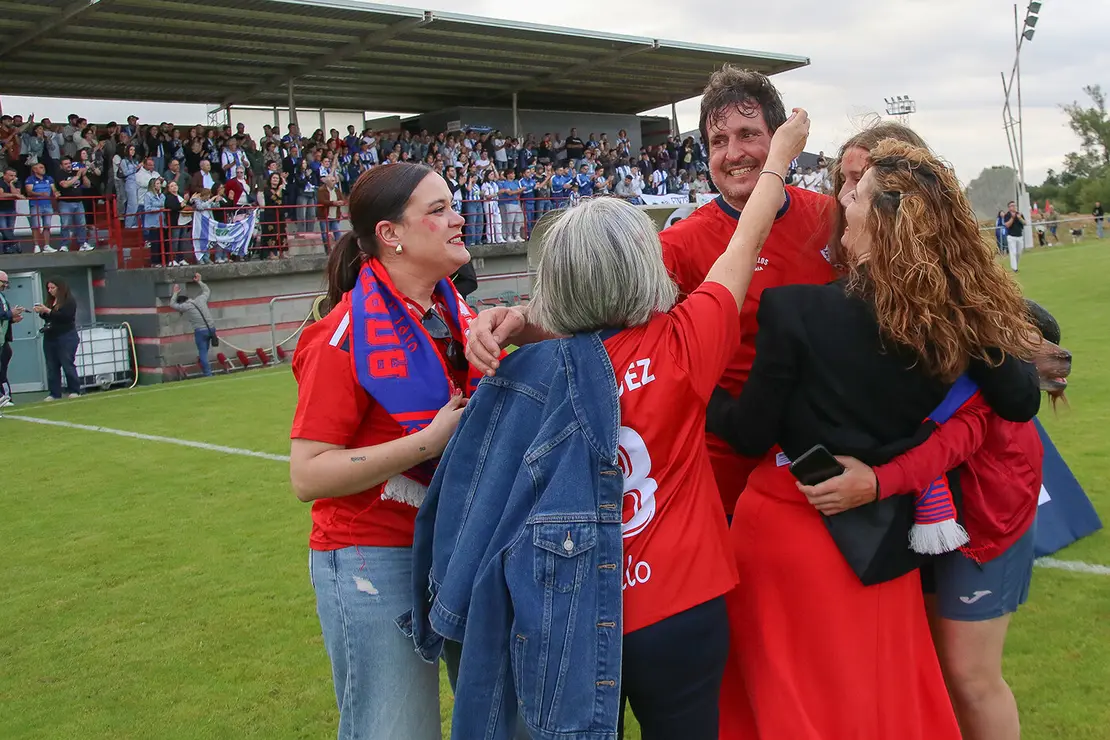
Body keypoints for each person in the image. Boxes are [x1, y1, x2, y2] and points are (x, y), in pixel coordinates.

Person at [459, 111, 811, 739]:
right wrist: (779, 157)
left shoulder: (532, 372)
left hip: (568, 605)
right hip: (681, 603)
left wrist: (517, 320)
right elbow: (746, 241)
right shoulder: (683, 342)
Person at [700, 139, 1040, 740]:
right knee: (882, 703)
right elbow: (1019, 398)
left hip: (793, 529)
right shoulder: (952, 319)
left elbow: (750, 433)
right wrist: (972, 300)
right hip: (885, 542)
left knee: (792, 705)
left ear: (883, 222)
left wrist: (702, 390)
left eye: (856, 195)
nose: (843, 201)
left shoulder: (794, 311)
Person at [288, 162, 480, 740]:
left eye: (453, 204)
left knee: (499, 717)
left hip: (458, 541)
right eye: (439, 209)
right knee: (396, 730)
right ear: (390, 234)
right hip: (373, 554)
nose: (458, 218)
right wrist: (426, 442)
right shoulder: (342, 335)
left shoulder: (456, 317)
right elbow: (308, 474)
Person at [34, 277, 83, 401]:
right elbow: (50, 317)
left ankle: (74, 390)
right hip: (51, 336)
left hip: (66, 335)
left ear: (60, 288)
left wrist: (48, 311)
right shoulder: (51, 301)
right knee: (52, 366)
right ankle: (54, 393)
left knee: (67, 363)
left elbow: (65, 317)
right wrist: (42, 312)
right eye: (48, 288)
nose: (50, 290)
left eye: (53, 288)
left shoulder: (69, 301)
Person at [171, 274, 216, 376]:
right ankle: (207, 370)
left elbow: (172, 305)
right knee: (205, 351)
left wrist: (175, 293)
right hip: (211, 328)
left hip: (200, 331)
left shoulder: (186, 306)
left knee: (203, 353)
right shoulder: (201, 299)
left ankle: (208, 374)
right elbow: (207, 290)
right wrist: (199, 281)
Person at [0, 270, 25, 407]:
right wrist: (10, 313)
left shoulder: (2, 297)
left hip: (3, 340)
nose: (5, 285)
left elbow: (4, 317)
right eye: (3, 282)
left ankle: (6, 397)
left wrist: (12, 318)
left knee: (2, 370)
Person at [24, 162, 59, 253]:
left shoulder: (49, 178)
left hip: (48, 204)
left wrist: (56, 193)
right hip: (35, 205)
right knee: (36, 226)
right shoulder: (30, 179)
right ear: (34, 170)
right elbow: (29, 192)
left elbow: (53, 189)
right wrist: (40, 194)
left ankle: (47, 245)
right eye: (41, 167)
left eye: (43, 167)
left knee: (47, 225)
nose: (43, 169)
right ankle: (36, 246)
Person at [1003, 200, 1025, 272]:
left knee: (1019, 253)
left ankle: (1016, 265)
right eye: (1012, 206)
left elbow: (1025, 223)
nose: (1014, 207)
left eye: (1015, 205)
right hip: (1011, 236)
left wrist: (1020, 218)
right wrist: (1012, 218)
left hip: (1019, 236)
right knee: (1013, 252)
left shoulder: (1019, 214)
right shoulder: (1007, 215)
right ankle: (1014, 268)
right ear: (1009, 207)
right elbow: (1007, 225)